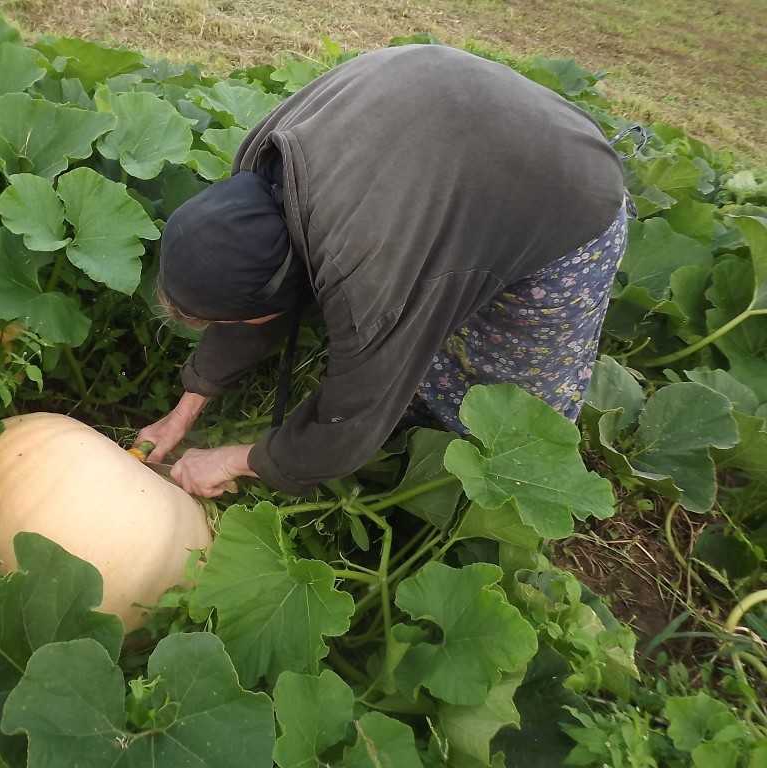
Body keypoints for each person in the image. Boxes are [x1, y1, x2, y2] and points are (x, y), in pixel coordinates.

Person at [134, 43, 628, 498]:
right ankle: (424, 430)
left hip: (566, 194)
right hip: (464, 127)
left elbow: (352, 417)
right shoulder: (260, 171)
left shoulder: (365, 272)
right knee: (424, 344)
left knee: (515, 393)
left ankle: (509, 497)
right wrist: (184, 410)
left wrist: (237, 460)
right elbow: (247, 297)